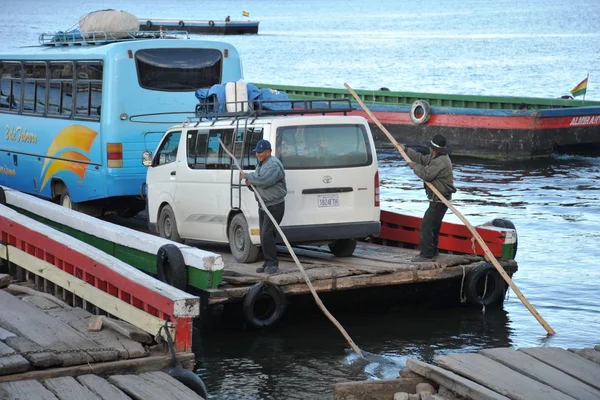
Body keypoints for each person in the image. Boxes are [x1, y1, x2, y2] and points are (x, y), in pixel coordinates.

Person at [398, 134, 456, 262]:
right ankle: (433, 251)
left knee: (426, 226)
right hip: (437, 199)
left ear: (434, 149)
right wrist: (405, 150)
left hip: (440, 199)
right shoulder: (434, 157)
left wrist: (414, 167)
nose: (429, 150)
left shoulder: (441, 161)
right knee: (434, 226)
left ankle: (427, 254)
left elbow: (426, 174)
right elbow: (421, 159)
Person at [240, 139, 287, 274]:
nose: (258, 154)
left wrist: (248, 176)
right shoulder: (261, 164)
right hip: (263, 205)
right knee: (265, 235)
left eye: (260, 152)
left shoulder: (273, 165)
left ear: (268, 152)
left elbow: (265, 181)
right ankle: (268, 263)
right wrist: (250, 183)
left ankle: (272, 264)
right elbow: (258, 184)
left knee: (267, 234)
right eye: (257, 152)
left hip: (274, 206)